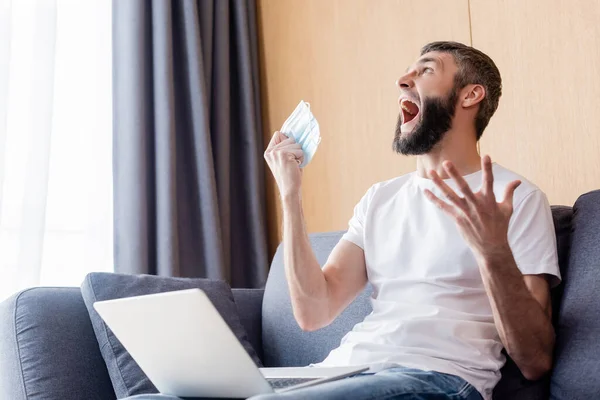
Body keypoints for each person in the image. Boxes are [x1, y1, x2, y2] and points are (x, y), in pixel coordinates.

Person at [260, 41, 561, 400]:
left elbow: (535, 361)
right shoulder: (380, 198)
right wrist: (289, 195)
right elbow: (314, 311)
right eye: (408, 71)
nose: (403, 79)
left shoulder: (515, 198)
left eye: (426, 70)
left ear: (470, 95)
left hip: (437, 378)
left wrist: (493, 253)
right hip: (341, 373)